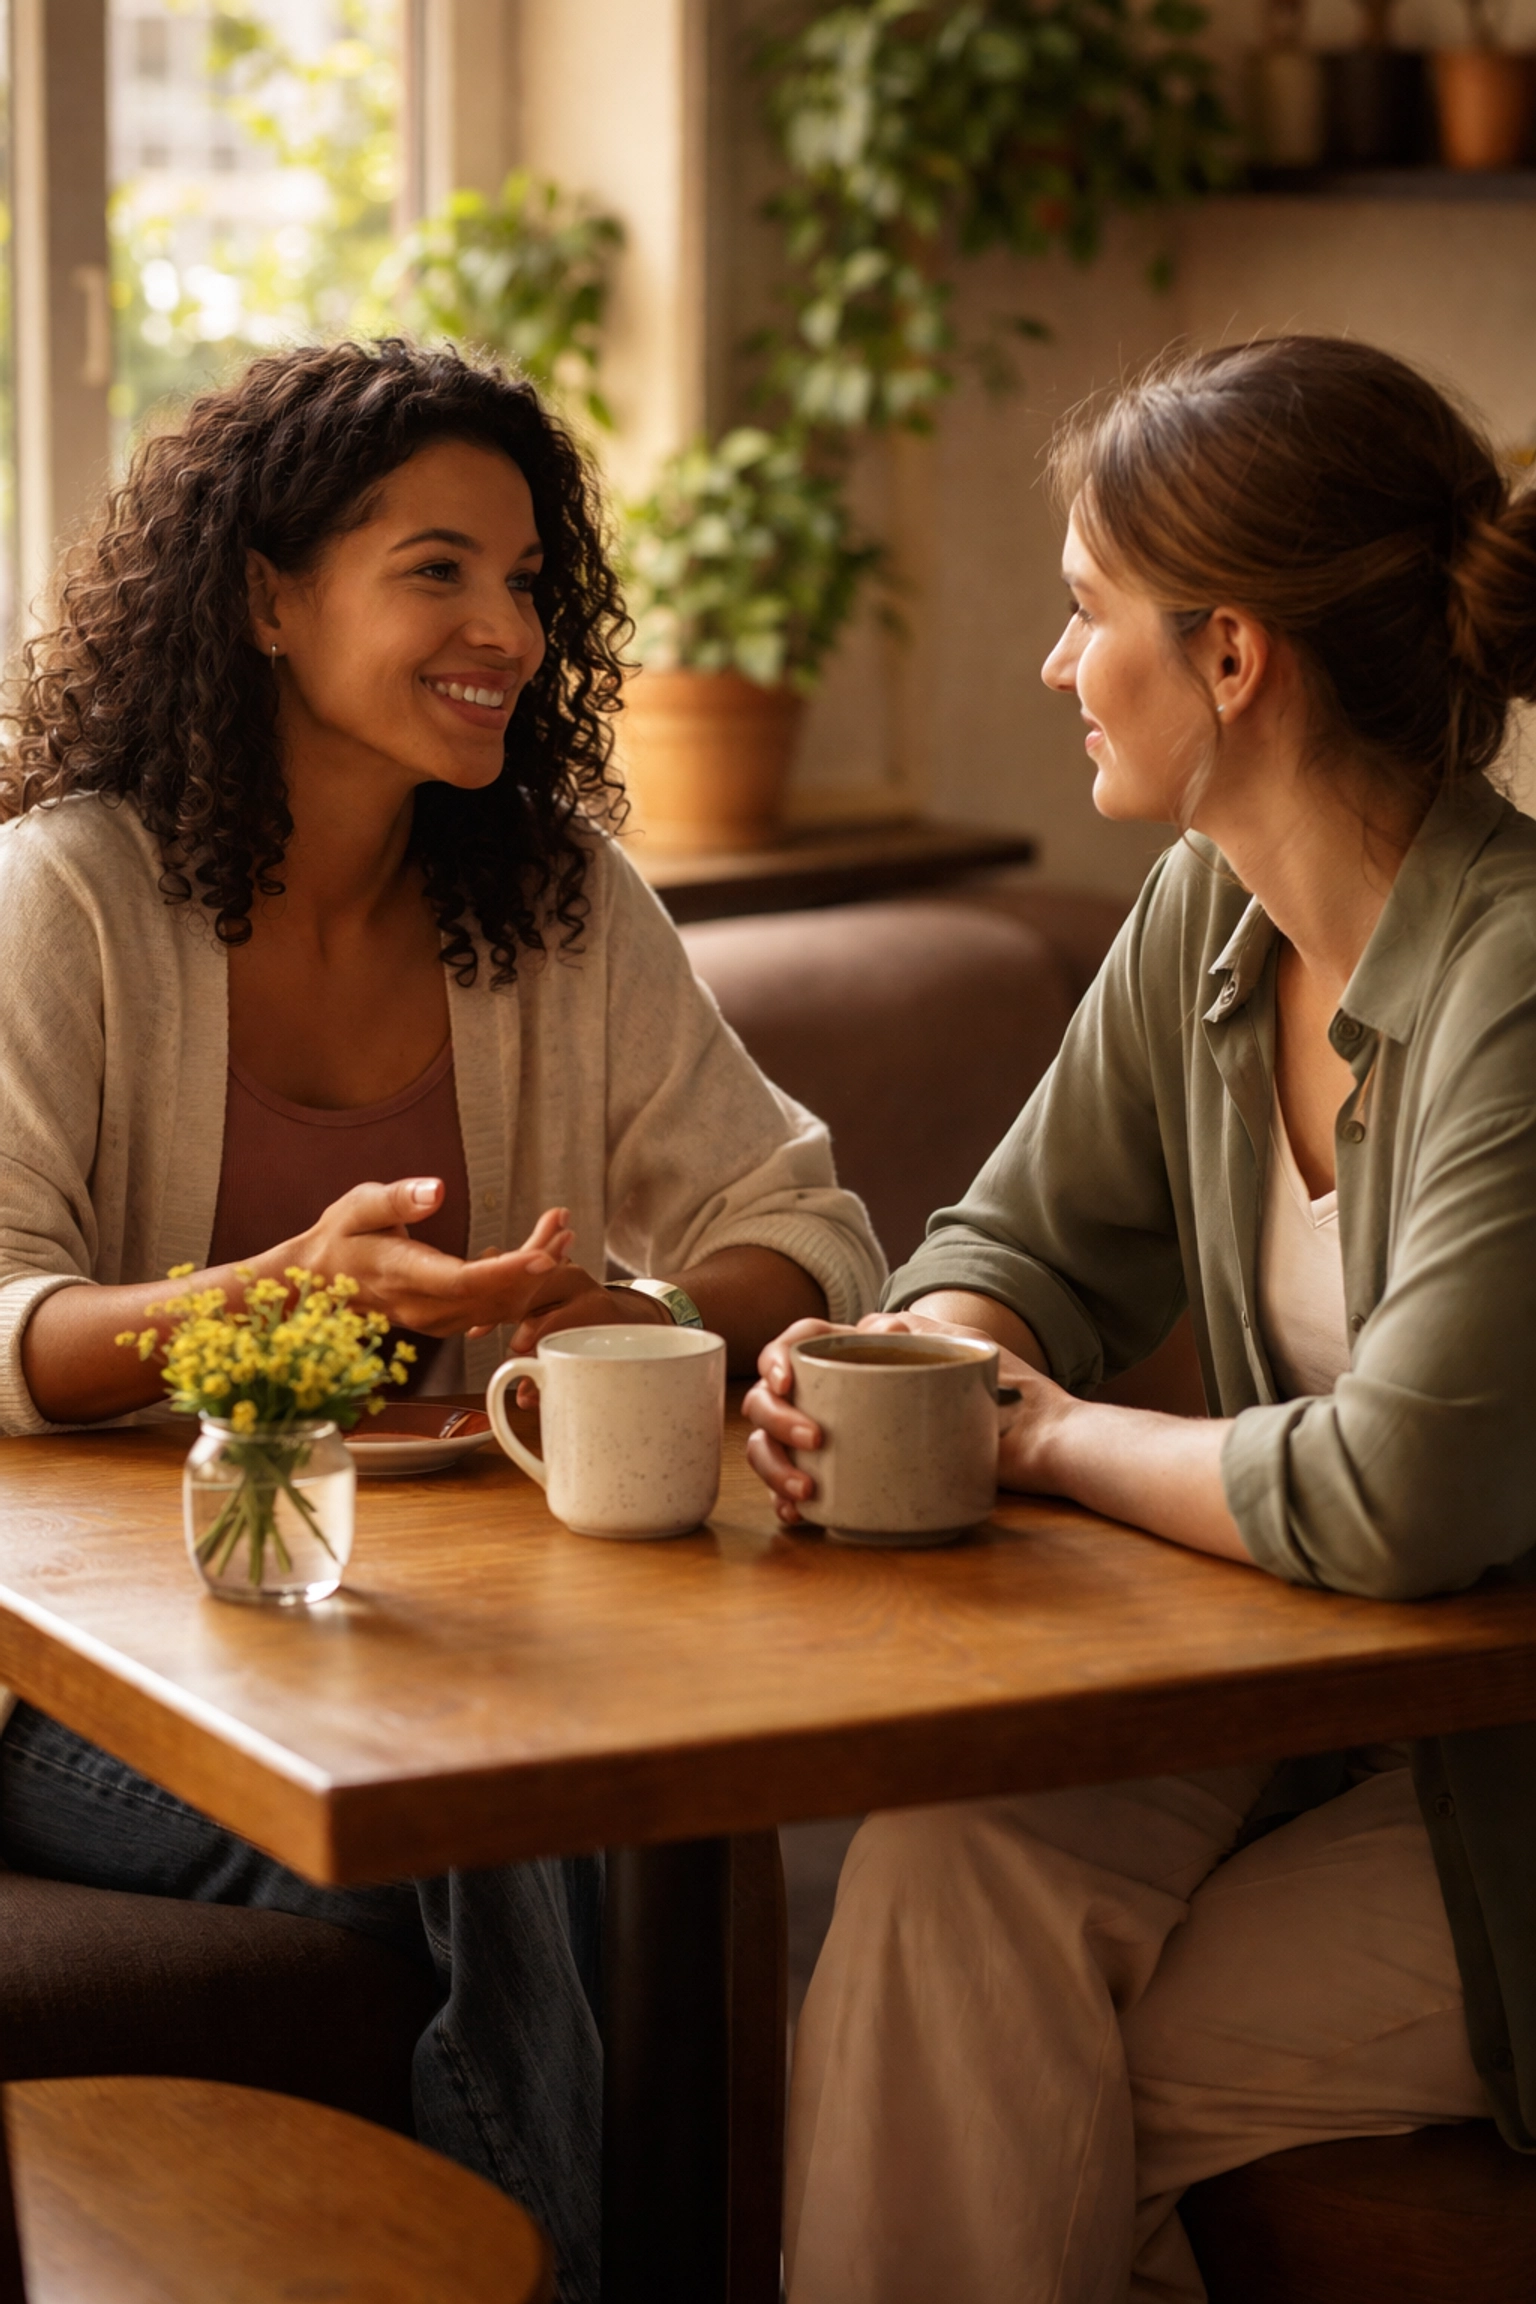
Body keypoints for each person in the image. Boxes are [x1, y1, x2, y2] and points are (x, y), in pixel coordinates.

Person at [0, 337, 884, 2304]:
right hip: (79, 1675)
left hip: (447, 1619)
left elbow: (809, 1228)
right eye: (438, 571)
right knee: (493, 1814)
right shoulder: (63, 902)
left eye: (527, 580)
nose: (508, 626)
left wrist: (616, 1312)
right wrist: (259, 1307)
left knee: (521, 1787)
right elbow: (2, 1316)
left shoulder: (557, 903)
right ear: (261, 596)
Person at [746, 335, 1536, 2304]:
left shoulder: (1517, 983)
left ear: (1234, 659)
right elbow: (1025, 1235)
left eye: (1088, 611)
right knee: (944, 1868)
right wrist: (904, 1371)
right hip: (1319, 1695)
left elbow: (1408, 1494)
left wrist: (1031, 1436)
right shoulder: (1210, 916)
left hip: (1504, 1753)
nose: (1053, 662)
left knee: (1108, 2055)